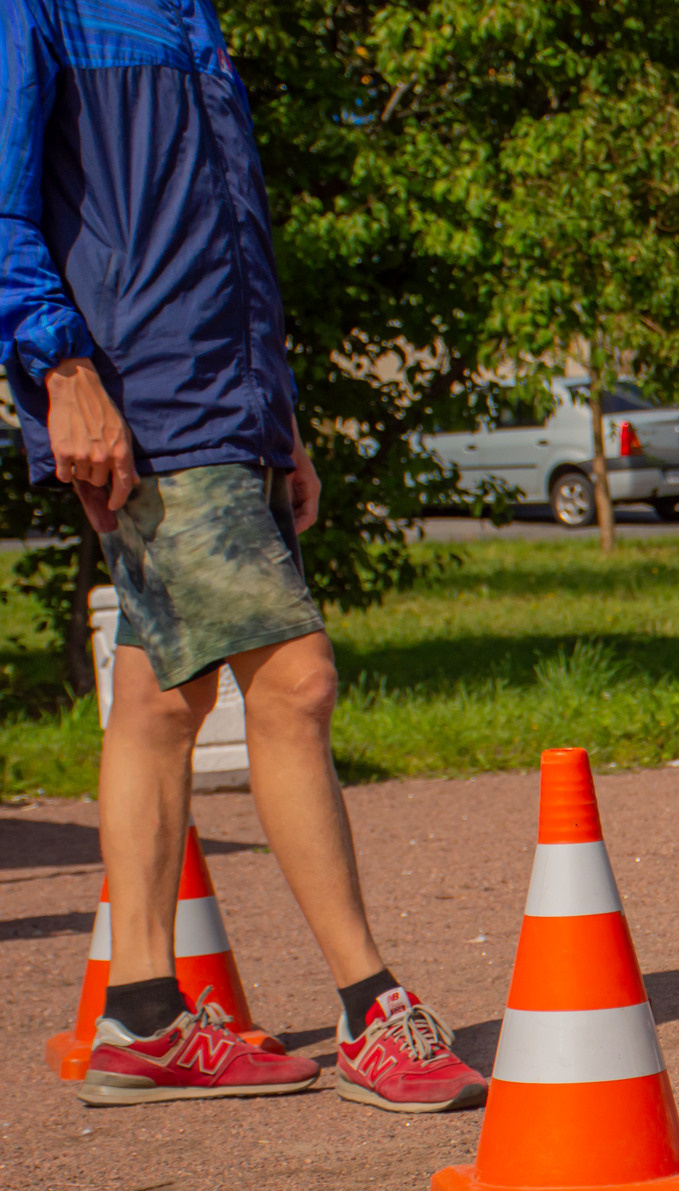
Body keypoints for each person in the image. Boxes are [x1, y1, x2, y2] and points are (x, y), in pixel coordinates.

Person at [1, 0, 486, 1112]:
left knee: (161, 703)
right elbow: (2, 199)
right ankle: (370, 1008)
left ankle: (145, 1019)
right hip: (141, 388)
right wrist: (60, 370)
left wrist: (284, 414)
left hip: (226, 400)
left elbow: (225, 229)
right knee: (295, 679)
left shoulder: (186, 13)